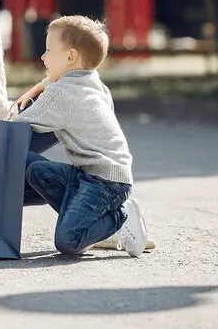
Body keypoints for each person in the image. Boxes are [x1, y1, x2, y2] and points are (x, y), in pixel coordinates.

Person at [11, 15, 149, 257]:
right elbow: (56, 82)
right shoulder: (93, 82)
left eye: (48, 50)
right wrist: (39, 86)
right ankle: (90, 217)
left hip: (107, 183)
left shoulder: (62, 95)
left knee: (68, 241)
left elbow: (16, 125)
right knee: (37, 171)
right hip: (99, 174)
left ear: (70, 57)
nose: (43, 57)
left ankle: (120, 216)